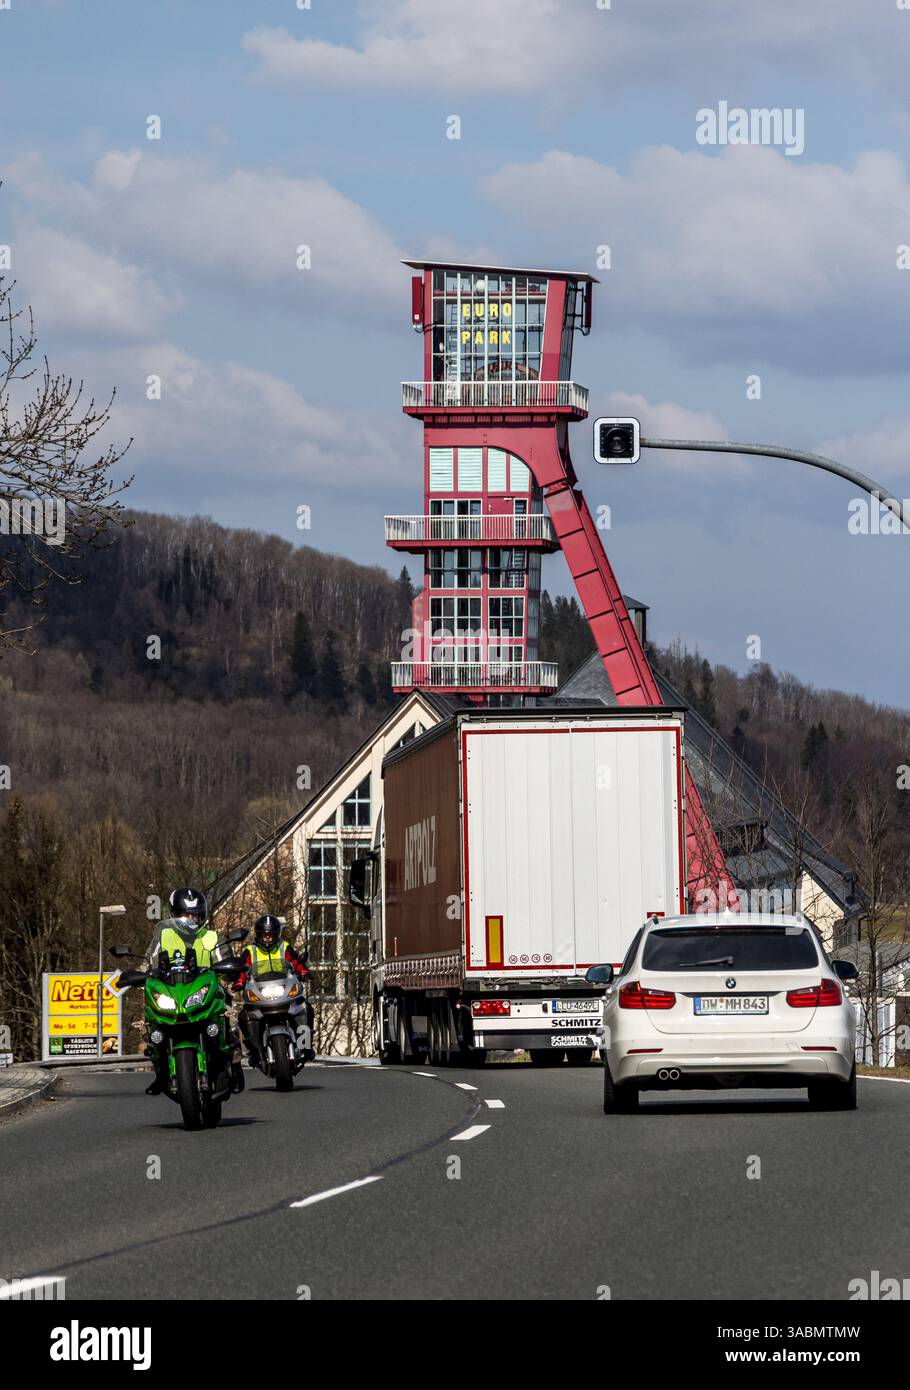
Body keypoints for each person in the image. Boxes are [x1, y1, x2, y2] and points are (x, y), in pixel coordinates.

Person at [142, 888, 244, 1095]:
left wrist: (231, 970)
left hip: (207, 989)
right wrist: (139, 975)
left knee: (230, 1019)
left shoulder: (212, 937)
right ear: (174, 914)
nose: (191, 918)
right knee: (147, 1022)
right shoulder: (164, 934)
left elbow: (224, 959)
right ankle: (159, 1069)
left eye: (195, 914)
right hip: (173, 990)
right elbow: (148, 961)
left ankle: (234, 1063)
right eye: (185, 914)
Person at [233, 915, 315, 1065]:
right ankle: (254, 1051)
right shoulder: (250, 951)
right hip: (260, 993)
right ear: (258, 934)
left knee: (306, 1008)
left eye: (271, 935)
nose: (268, 938)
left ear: (277, 934)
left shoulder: (284, 947)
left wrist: (303, 972)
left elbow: (295, 961)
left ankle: (306, 1045)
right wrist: (239, 981)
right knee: (243, 1016)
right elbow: (243, 969)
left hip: (284, 990)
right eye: (265, 935)